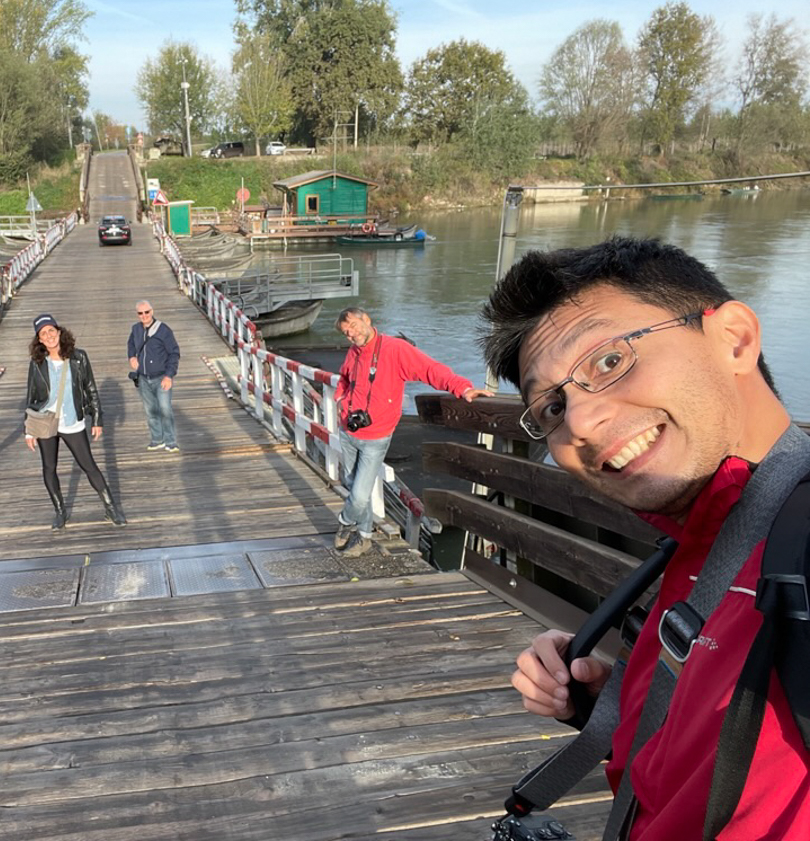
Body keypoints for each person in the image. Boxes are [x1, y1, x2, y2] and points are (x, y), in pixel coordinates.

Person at [481, 236, 808, 839]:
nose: (581, 422)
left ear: (735, 339)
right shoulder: (699, 549)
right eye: (552, 408)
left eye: (608, 361)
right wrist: (618, 697)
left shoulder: (797, 547)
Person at [333, 307, 490, 556]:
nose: (351, 334)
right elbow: (344, 378)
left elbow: (430, 369)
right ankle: (363, 537)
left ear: (367, 320)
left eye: (353, 326)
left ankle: (345, 522)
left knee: (359, 496)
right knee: (355, 488)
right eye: (346, 332)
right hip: (348, 431)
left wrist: (462, 388)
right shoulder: (354, 351)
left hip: (376, 437)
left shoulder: (395, 349)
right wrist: (340, 398)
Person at [25, 313, 126, 528]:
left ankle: (111, 508)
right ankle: (60, 512)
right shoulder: (37, 363)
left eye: (51, 330)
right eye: (43, 334)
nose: (49, 336)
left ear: (59, 332)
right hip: (45, 421)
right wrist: (29, 430)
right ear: (39, 340)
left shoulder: (79, 357)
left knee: (88, 465)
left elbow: (91, 388)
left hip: (72, 420)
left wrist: (97, 419)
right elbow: (31, 395)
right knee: (49, 467)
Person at [127, 300, 181, 453]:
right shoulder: (136, 329)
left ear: (152, 311)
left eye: (147, 312)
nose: (144, 315)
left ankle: (171, 441)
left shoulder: (164, 330)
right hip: (143, 377)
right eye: (140, 313)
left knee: (165, 410)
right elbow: (130, 344)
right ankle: (157, 439)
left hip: (161, 377)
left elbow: (174, 353)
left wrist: (169, 376)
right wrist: (131, 357)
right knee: (150, 411)